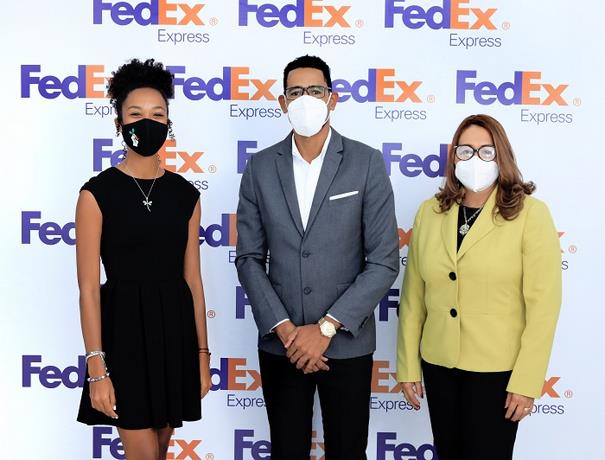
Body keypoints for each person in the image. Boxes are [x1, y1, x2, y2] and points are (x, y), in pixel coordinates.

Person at [235, 55, 399, 459]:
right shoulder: (259, 167)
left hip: (346, 344)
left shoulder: (366, 162)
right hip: (283, 345)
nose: (305, 98)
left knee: (348, 452)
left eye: (315, 90)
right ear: (282, 102)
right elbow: (249, 257)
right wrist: (286, 330)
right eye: (295, 92)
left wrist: (325, 328)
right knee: (287, 451)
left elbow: (383, 260)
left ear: (332, 98)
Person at [396, 114, 562, 460]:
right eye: (466, 150)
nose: (475, 159)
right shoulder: (430, 212)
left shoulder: (531, 214)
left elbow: (543, 307)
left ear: (502, 156)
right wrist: (408, 366)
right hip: (439, 366)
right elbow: (413, 299)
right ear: (454, 156)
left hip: (497, 372)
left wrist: (527, 381)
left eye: (486, 151)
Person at [76, 58, 211, 460]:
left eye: (158, 114)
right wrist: (97, 368)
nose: (147, 122)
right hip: (124, 338)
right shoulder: (96, 194)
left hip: (175, 336)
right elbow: (88, 289)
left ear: (169, 123)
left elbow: (193, 281)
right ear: (119, 123)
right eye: (136, 114)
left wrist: (202, 357)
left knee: (161, 450)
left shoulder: (186, 195)